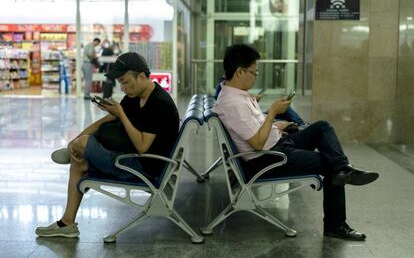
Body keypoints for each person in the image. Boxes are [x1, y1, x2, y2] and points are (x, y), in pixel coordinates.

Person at [213, 44, 379, 241]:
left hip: (277, 144)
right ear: (239, 71)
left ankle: (344, 169)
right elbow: (257, 144)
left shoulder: (235, 94)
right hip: (267, 159)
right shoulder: (232, 104)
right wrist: (273, 112)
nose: (255, 76)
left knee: (322, 127)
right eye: (253, 72)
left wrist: (277, 125)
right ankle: (336, 223)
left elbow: (256, 129)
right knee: (330, 164)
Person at [35, 52, 180, 238]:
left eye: (125, 81)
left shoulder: (160, 103)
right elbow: (108, 119)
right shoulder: (135, 96)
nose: (123, 87)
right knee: (78, 160)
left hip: (144, 167)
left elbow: (143, 147)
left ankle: (80, 148)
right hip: (131, 157)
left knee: (84, 147)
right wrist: (75, 140)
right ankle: (67, 223)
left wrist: (121, 115)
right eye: (120, 82)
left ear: (142, 76)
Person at [214, 77, 306, 126]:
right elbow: (257, 141)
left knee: (284, 108)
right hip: (261, 124)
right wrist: (273, 115)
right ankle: (302, 125)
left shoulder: (227, 89)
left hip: (259, 119)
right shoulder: (228, 95)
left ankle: (301, 125)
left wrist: (252, 100)